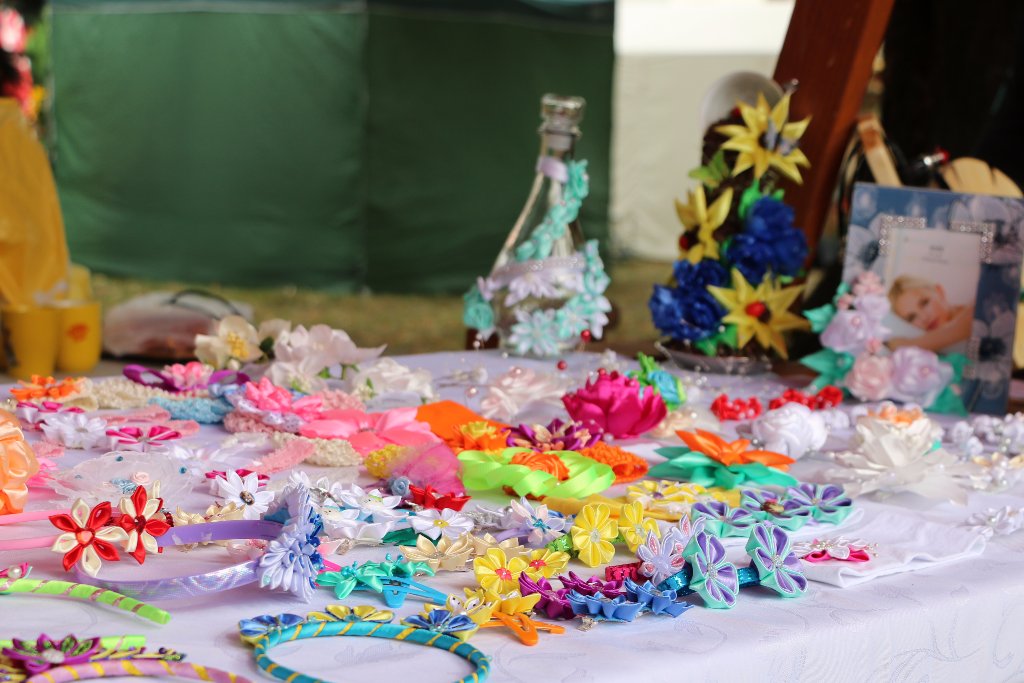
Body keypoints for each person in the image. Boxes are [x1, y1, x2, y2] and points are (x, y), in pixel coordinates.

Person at [887, 275, 973, 352]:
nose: (924, 318)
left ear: (939, 292)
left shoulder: (975, 311)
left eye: (925, 303)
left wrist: (909, 344)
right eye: (912, 318)